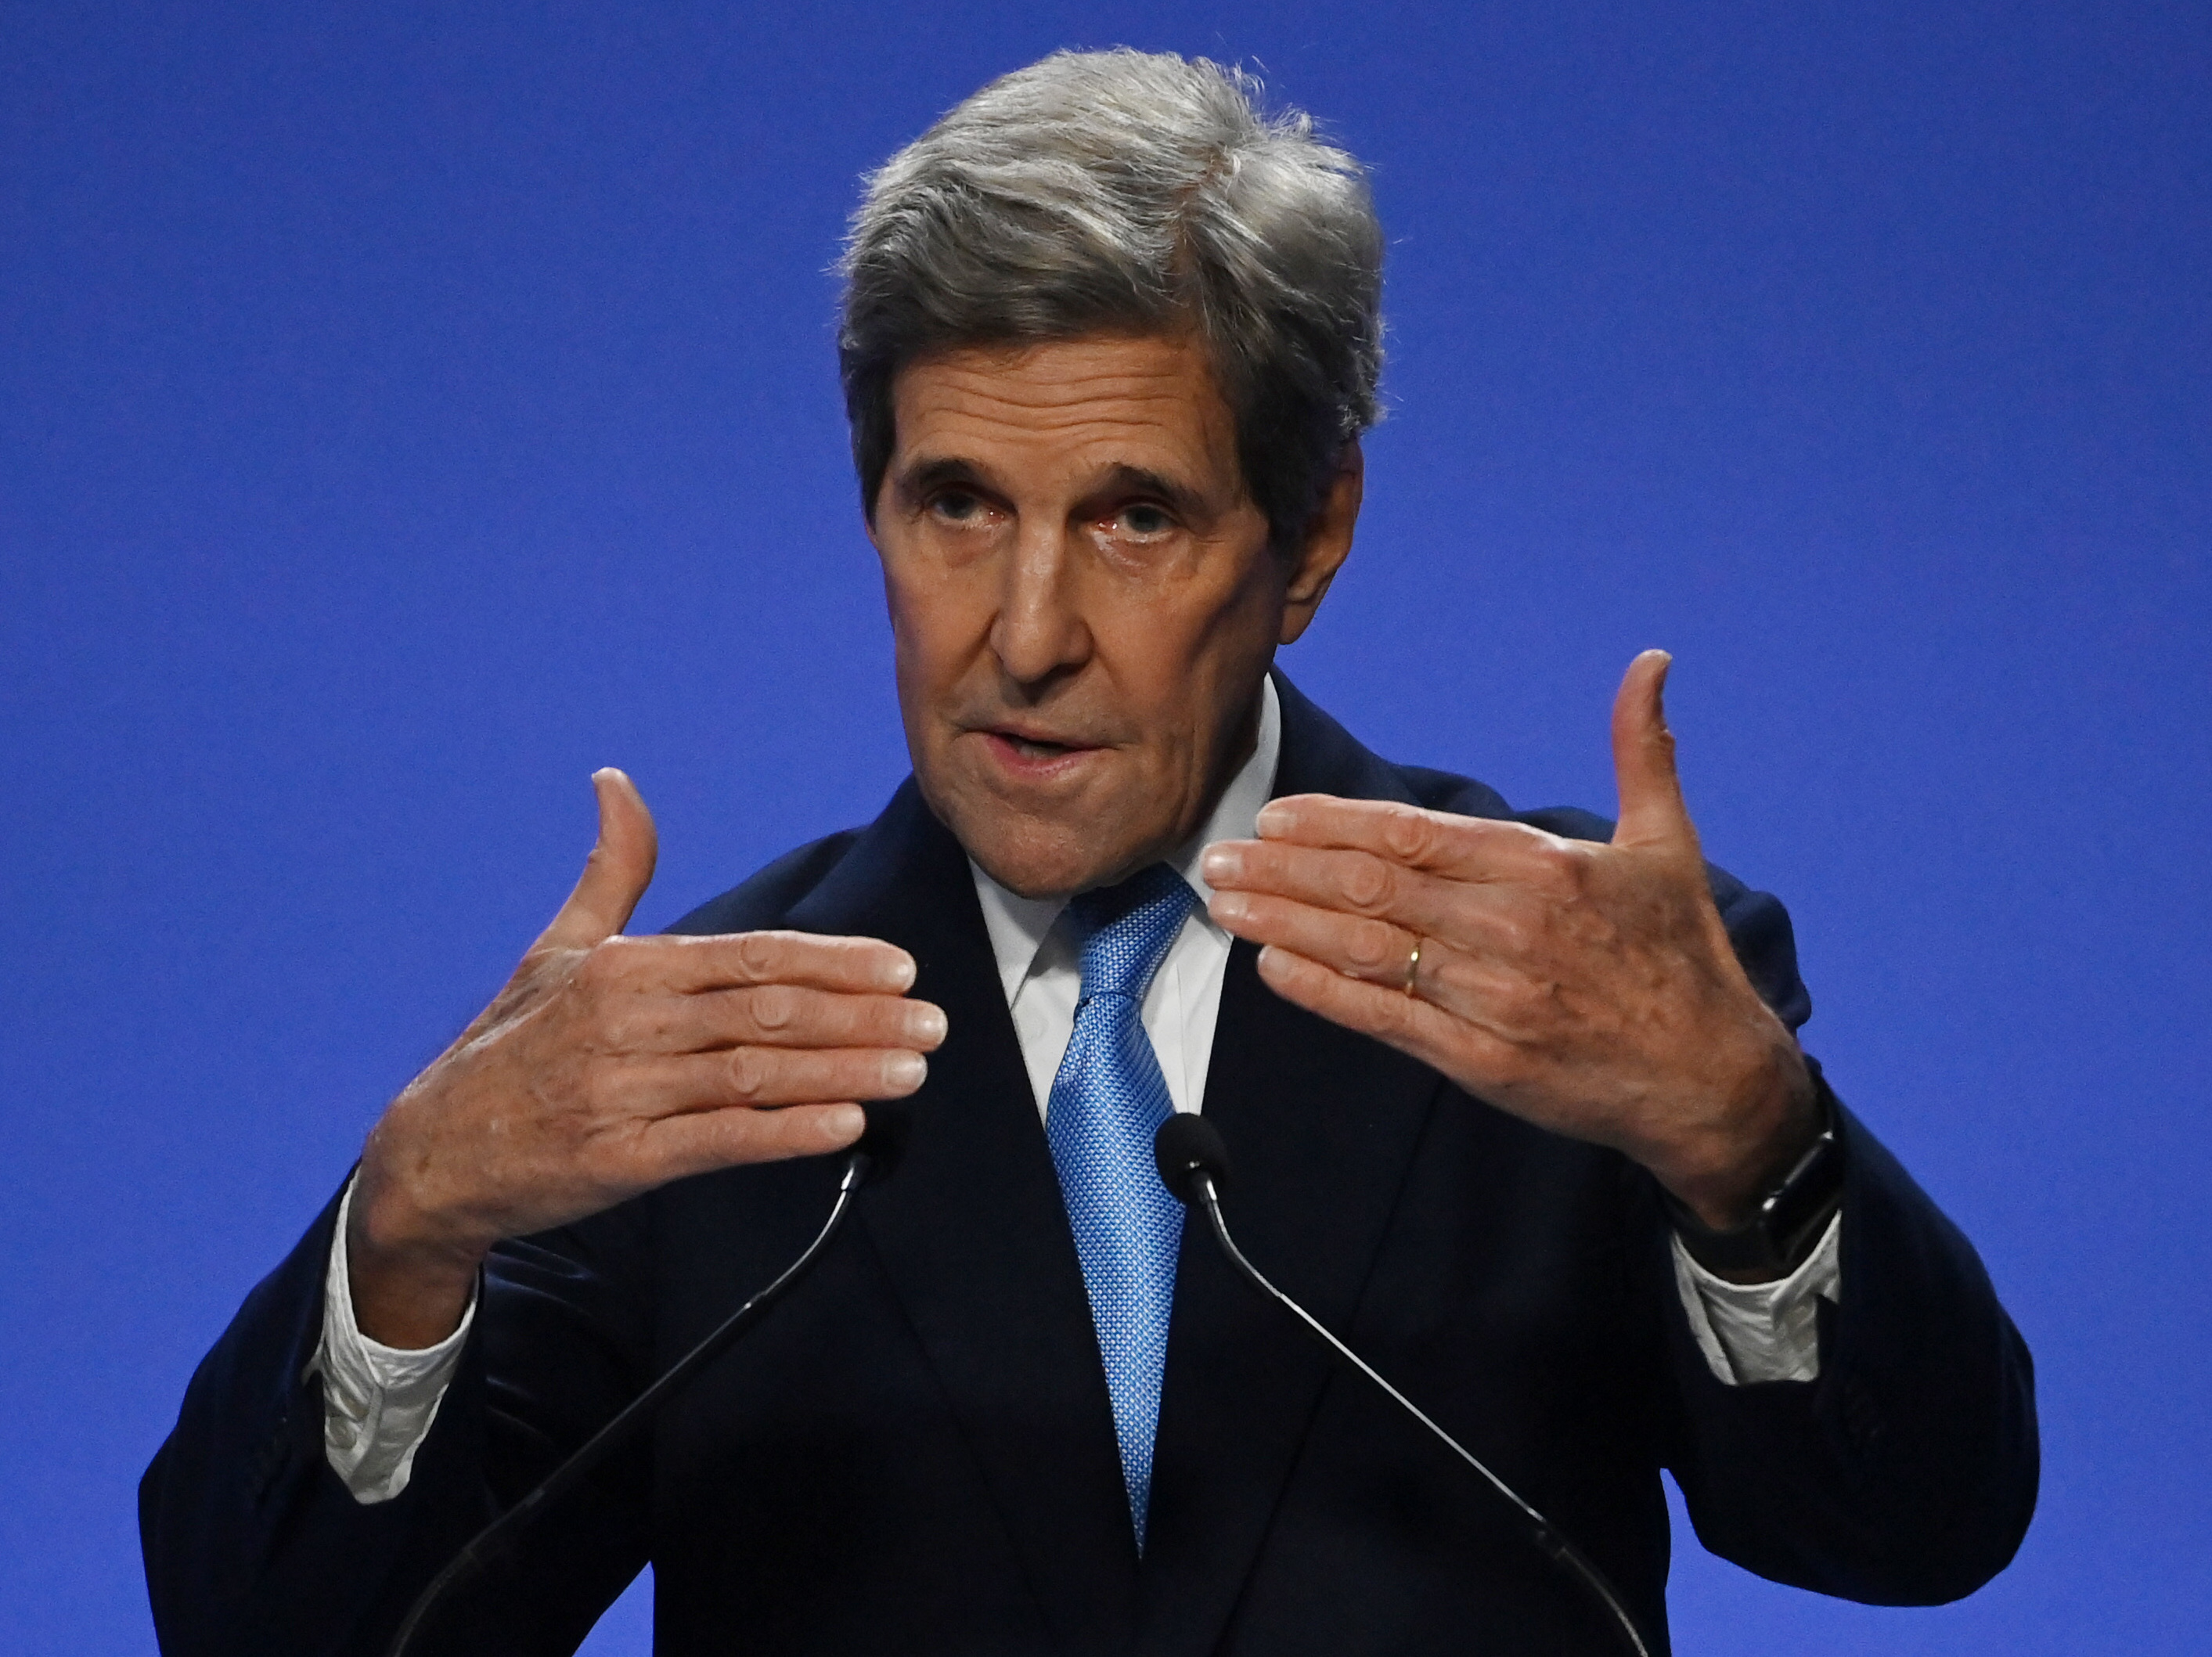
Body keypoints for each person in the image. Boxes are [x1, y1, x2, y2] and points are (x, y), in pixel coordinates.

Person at [139, 49, 2037, 1656]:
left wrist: (1753, 1148)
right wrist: (404, 1235)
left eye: (1134, 518)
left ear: (1309, 542)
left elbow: (1913, 1529)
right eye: (955, 502)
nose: (1024, 631)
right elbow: (280, 1631)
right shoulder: (699, 1063)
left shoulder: (1584, 986)